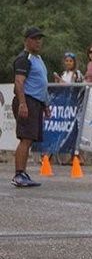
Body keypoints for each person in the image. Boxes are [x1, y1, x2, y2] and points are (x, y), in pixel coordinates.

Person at [11, 27, 50, 188]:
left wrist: (46, 105)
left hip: (36, 102)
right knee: (25, 138)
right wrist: (22, 103)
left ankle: (23, 172)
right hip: (27, 101)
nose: (38, 41)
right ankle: (19, 174)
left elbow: (42, 83)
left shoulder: (38, 58)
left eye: (40, 38)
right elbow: (19, 82)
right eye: (34, 39)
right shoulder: (24, 59)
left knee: (29, 139)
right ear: (26, 40)